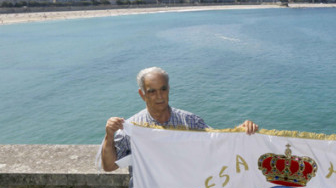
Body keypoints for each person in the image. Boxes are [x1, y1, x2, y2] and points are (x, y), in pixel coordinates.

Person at [101, 66, 258, 173]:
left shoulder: (190, 122)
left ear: (169, 89)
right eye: (152, 92)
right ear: (142, 95)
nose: (159, 96)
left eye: (163, 89)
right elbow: (108, 166)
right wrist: (109, 135)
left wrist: (241, 131)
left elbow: (217, 143)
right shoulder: (132, 128)